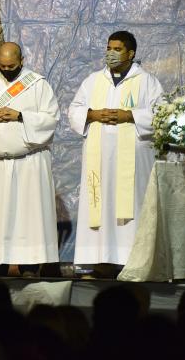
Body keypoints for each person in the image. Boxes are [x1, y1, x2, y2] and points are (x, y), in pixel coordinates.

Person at [0, 42, 60, 276]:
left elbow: (51, 119)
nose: (6, 70)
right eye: (2, 66)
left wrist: (20, 116)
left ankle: (29, 266)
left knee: (28, 217)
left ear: (21, 60)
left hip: (29, 163)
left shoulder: (37, 84)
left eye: (11, 66)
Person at [68, 31, 163, 276]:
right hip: (99, 157)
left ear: (131, 53)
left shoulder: (147, 81)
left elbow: (162, 115)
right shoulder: (93, 80)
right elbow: (75, 109)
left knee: (130, 205)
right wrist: (93, 114)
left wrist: (129, 115)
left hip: (132, 159)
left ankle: (130, 259)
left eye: (117, 49)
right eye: (109, 48)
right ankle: (100, 260)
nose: (111, 53)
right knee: (99, 204)